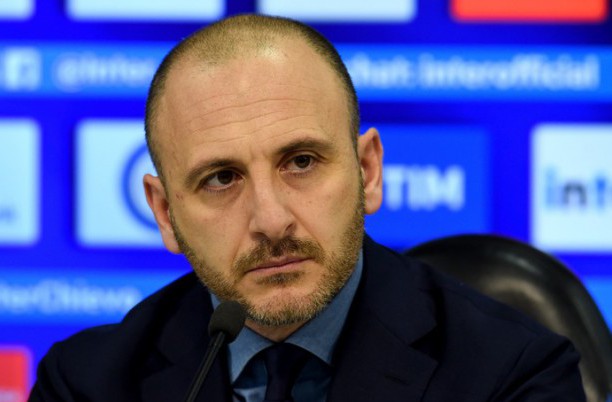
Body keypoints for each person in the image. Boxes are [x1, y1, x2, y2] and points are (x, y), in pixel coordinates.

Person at [30, 14, 585, 402]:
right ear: (165, 213)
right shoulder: (85, 385)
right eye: (221, 179)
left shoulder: (513, 376)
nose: (271, 221)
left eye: (301, 162)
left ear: (368, 171)